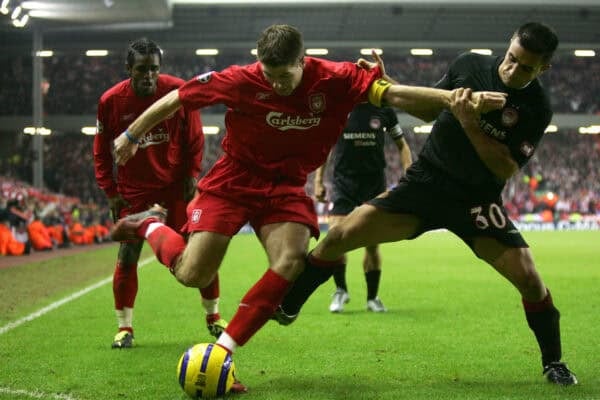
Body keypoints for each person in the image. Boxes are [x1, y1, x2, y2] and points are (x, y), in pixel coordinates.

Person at [109, 24, 505, 382]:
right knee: (193, 273)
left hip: (284, 186)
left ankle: (222, 352)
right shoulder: (241, 79)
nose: (277, 84)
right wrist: (131, 132)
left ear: (304, 61)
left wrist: (451, 99)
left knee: (290, 262)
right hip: (233, 179)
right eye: (269, 75)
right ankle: (148, 224)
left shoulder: (335, 78)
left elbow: (393, 94)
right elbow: (179, 97)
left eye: (285, 76)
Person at [275, 22, 577, 385]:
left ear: (543, 68)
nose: (513, 70)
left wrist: (468, 121)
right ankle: (288, 305)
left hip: (476, 200)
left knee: (529, 280)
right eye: (512, 58)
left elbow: (503, 167)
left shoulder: (537, 108)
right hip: (426, 184)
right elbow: (428, 110)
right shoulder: (470, 66)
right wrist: (390, 88)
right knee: (339, 236)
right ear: (507, 45)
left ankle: (554, 362)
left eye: (526, 67)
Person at [93, 37, 228, 349]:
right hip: (133, 193)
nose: (149, 75)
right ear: (129, 69)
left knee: (198, 248)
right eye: (141, 69)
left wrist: (192, 173)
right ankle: (124, 329)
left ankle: (214, 316)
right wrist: (110, 191)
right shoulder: (110, 102)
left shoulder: (177, 91)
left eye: (153, 69)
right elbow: (101, 151)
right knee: (127, 254)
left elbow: (195, 136)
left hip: (173, 187)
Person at [313, 102, 412, 313]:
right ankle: (341, 290)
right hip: (343, 184)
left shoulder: (384, 110)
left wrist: (409, 174)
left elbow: (402, 145)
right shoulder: (339, 107)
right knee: (335, 237)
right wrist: (318, 181)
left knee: (373, 245)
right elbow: (326, 146)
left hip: (374, 185)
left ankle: (372, 298)